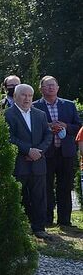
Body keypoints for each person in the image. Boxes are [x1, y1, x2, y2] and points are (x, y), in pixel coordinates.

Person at [33, 76, 81, 226]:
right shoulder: (35, 107)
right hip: (46, 153)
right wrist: (48, 126)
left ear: (58, 88)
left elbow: (78, 126)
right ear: (41, 89)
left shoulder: (69, 105)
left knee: (65, 187)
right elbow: (33, 129)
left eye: (53, 85)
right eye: (47, 86)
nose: (50, 88)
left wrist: (66, 126)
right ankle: (47, 219)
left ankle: (65, 220)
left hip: (66, 152)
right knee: (46, 187)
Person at [5, 84, 51, 238]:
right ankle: (15, 228)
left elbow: (48, 135)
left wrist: (39, 151)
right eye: (24, 95)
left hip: (38, 164)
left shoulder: (40, 114)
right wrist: (27, 150)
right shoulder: (8, 114)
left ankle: (39, 228)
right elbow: (9, 137)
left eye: (30, 95)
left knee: (39, 197)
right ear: (16, 96)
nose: (27, 98)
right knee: (16, 197)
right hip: (19, 164)